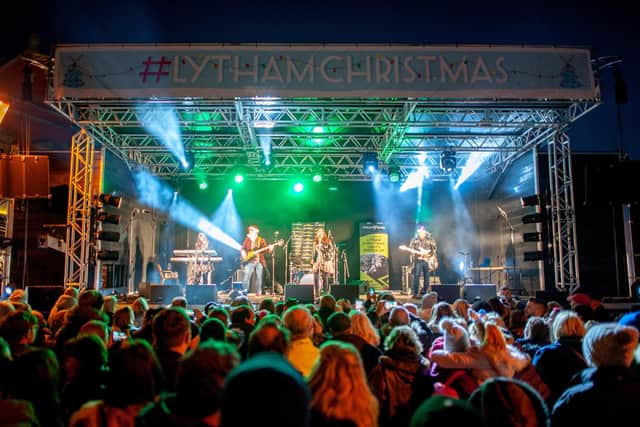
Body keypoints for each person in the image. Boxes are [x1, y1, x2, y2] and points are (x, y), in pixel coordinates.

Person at [240, 225, 274, 296]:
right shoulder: (247, 239)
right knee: (246, 277)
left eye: (251, 230)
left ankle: (259, 292)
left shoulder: (261, 240)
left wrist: (270, 248)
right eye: (249, 230)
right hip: (249, 261)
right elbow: (243, 248)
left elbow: (266, 250)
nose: (250, 231)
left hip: (259, 261)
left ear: (256, 231)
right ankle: (244, 291)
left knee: (259, 277)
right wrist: (244, 255)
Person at [408, 225, 437, 299]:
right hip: (418, 260)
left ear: (424, 231)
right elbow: (410, 248)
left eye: (422, 231)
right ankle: (415, 293)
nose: (421, 232)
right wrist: (413, 255)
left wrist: (430, 255)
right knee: (416, 276)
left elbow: (434, 248)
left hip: (427, 260)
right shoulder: (415, 239)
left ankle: (424, 292)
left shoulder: (429, 238)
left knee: (427, 276)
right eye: (420, 231)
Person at [312, 227, 335, 297]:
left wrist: (324, 245)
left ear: (324, 233)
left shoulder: (327, 241)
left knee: (325, 277)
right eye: (318, 232)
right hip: (318, 259)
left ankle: (325, 293)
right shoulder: (315, 242)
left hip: (325, 260)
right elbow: (313, 252)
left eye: (321, 232)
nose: (319, 233)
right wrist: (312, 259)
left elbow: (331, 250)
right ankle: (316, 293)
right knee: (315, 276)